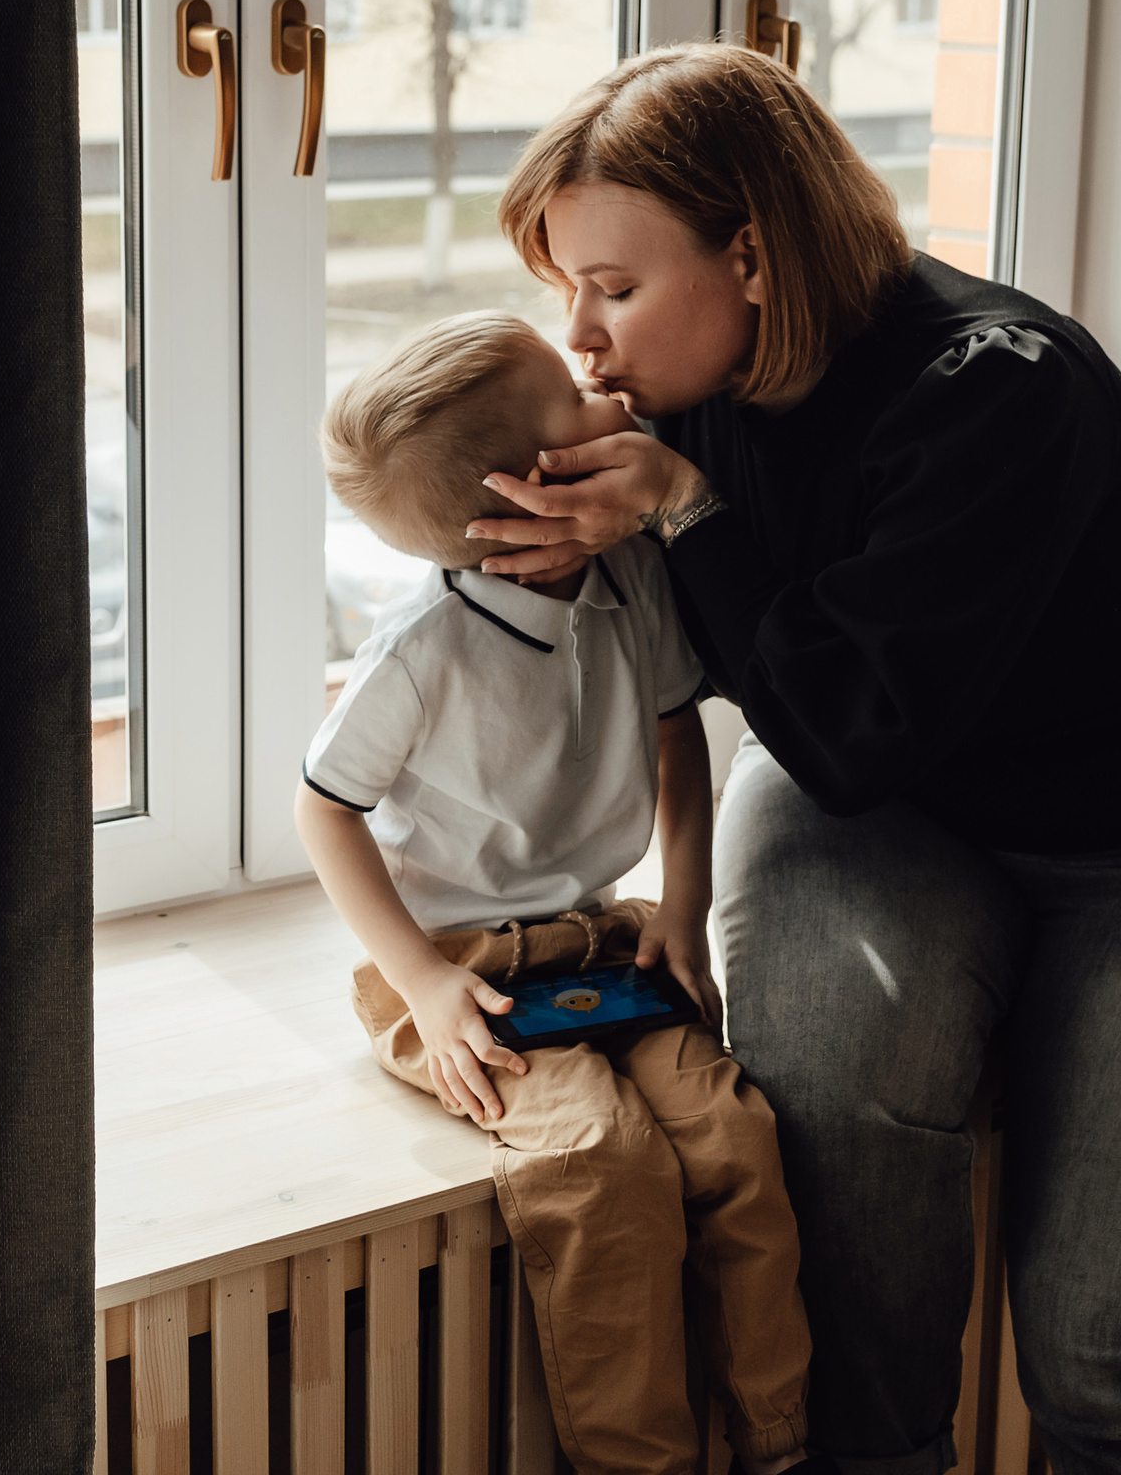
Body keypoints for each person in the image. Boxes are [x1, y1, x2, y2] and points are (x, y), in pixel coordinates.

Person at [463, 44, 1121, 1475]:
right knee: (853, 1350)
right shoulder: (681, 388)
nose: (583, 337)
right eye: (566, 285)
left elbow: (843, 726)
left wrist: (689, 513)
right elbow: (781, 732)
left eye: (614, 288)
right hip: (894, 812)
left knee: (1118, 1362)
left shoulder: (994, 389)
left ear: (750, 257)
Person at [295, 311, 813, 1475]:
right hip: (458, 974)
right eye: (574, 404)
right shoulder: (423, 645)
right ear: (531, 488)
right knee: (599, 1170)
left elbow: (683, 737)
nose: (608, 394)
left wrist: (684, 908)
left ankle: (781, 1440)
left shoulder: (634, 571)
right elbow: (322, 808)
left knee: (733, 1137)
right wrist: (423, 985)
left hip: (606, 939)